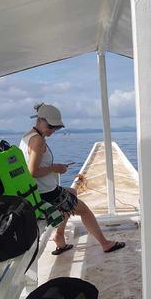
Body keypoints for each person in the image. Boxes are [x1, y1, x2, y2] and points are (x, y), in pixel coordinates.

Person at [20, 103, 125, 255]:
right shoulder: (38, 140)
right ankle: (105, 243)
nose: (53, 130)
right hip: (49, 193)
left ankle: (59, 236)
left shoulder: (27, 137)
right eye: (51, 126)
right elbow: (33, 171)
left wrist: (55, 167)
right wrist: (56, 168)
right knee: (85, 211)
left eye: (56, 128)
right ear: (40, 120)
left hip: (41, 191)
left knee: (72, 192)